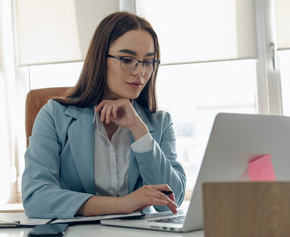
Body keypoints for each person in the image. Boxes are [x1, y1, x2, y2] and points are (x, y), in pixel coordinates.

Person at [22, 11, 186, 219]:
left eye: (148, 62)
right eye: (128, 59)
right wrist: (122, 204)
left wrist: (139, 130)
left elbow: (172, 202)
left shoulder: (159, 122)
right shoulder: (54, 115)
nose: (141, 72)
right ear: (100, 59)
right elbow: (35, 197)